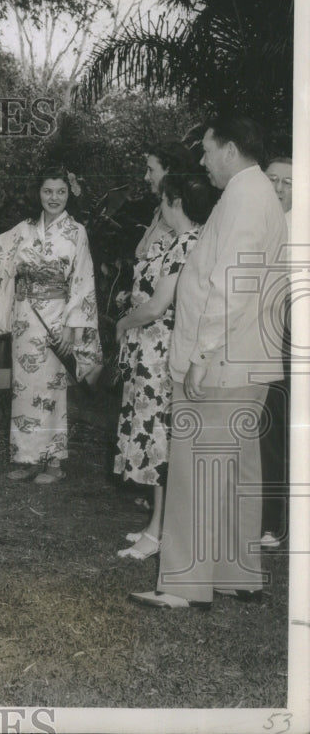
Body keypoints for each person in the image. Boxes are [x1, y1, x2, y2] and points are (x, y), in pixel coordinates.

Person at [129, 116, 287, 609]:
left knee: (198, 467)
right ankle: (235, 575)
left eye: (206, 150)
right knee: (238, 470)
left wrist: (200, 355)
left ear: (230, 150)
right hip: (248, 358)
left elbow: (229, 287)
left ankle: (182, 586)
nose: (200, 161)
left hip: (221, 360)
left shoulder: (243, 196)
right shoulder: (258, 193)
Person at [0, 165, 103, 485]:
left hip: (57, 318)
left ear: (69, 194)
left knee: (52, 389)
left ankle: (53, 462)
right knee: (24, 388)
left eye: (61, 192)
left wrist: (71, 326)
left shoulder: (76, 232)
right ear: (38, 193)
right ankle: (26, 458)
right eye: (48, 191)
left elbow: (83, 280)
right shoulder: (23, 230)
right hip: (26, 317)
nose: (54, 198)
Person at [113, 174, 216, 560]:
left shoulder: (188, 244)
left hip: (160, 351)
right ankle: (156, 523)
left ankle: (158, 533)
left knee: (158, 439)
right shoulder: (177, 241)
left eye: (163, 203)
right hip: (149, 349)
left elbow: (157, 307)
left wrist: (123, 323)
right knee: (154, 434)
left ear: (175, 202)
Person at [259, 156, 292, 549]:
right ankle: (269, 521)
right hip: (261, 332)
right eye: (273, 180)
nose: (280, 188)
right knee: (266, 427)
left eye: (287, 182)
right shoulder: (259, 221)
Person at [133, 143, 200, 260]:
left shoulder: (184, 212)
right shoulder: (161, 209)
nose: (146, 177)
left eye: (151, 170)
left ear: (168, 171)